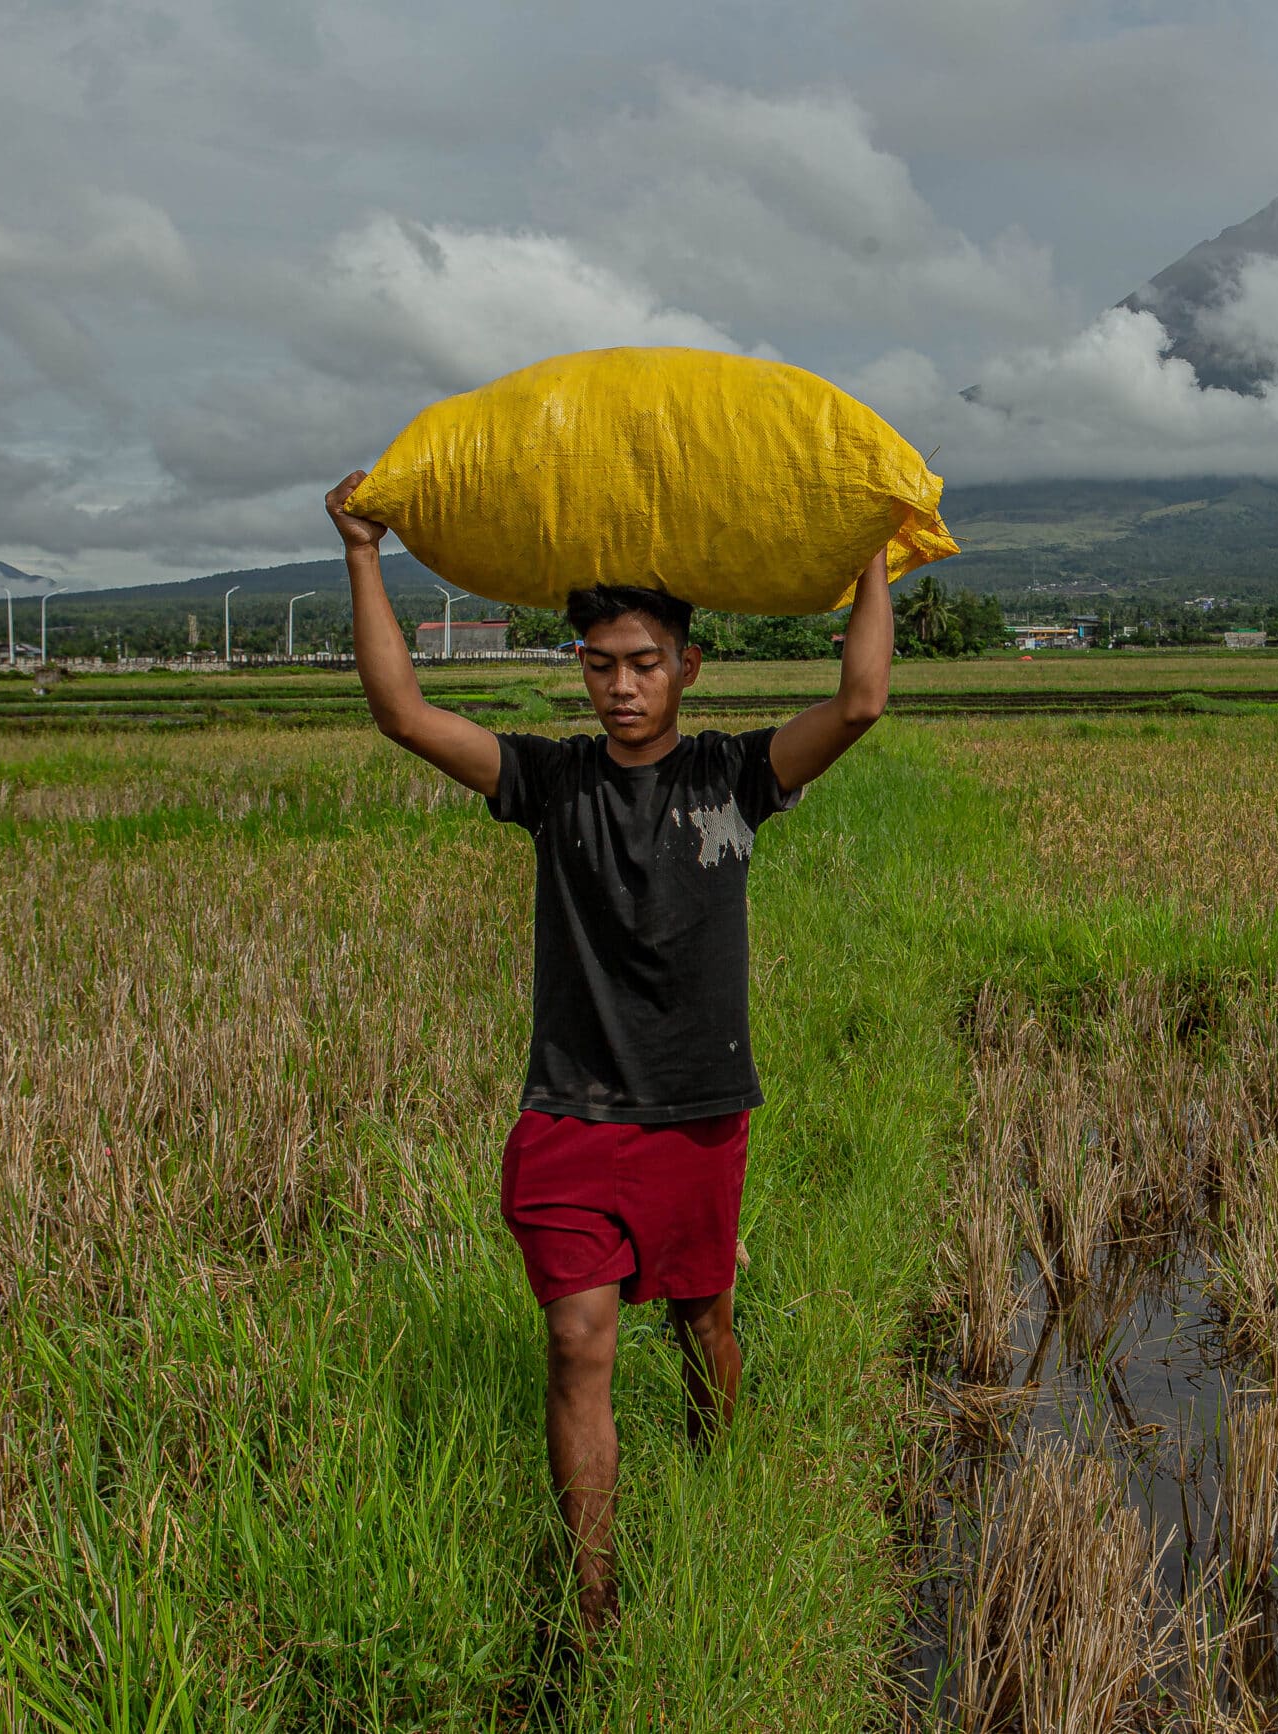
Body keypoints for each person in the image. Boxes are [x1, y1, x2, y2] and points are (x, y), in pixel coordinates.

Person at [324, 470, 892, 1634]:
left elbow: (862, 702)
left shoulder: (735, 778)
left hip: (697, 1111)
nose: (621, 687)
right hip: (572, 1112)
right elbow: (402, 715)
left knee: (703, 1325)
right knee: (578, 1336)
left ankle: (715, 1476)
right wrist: (363, 554)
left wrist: (872, 554)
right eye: (599, 665)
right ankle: (595, 1601)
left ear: (687, 667)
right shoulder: (550, 782)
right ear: (577, 670)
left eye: (642, 663)